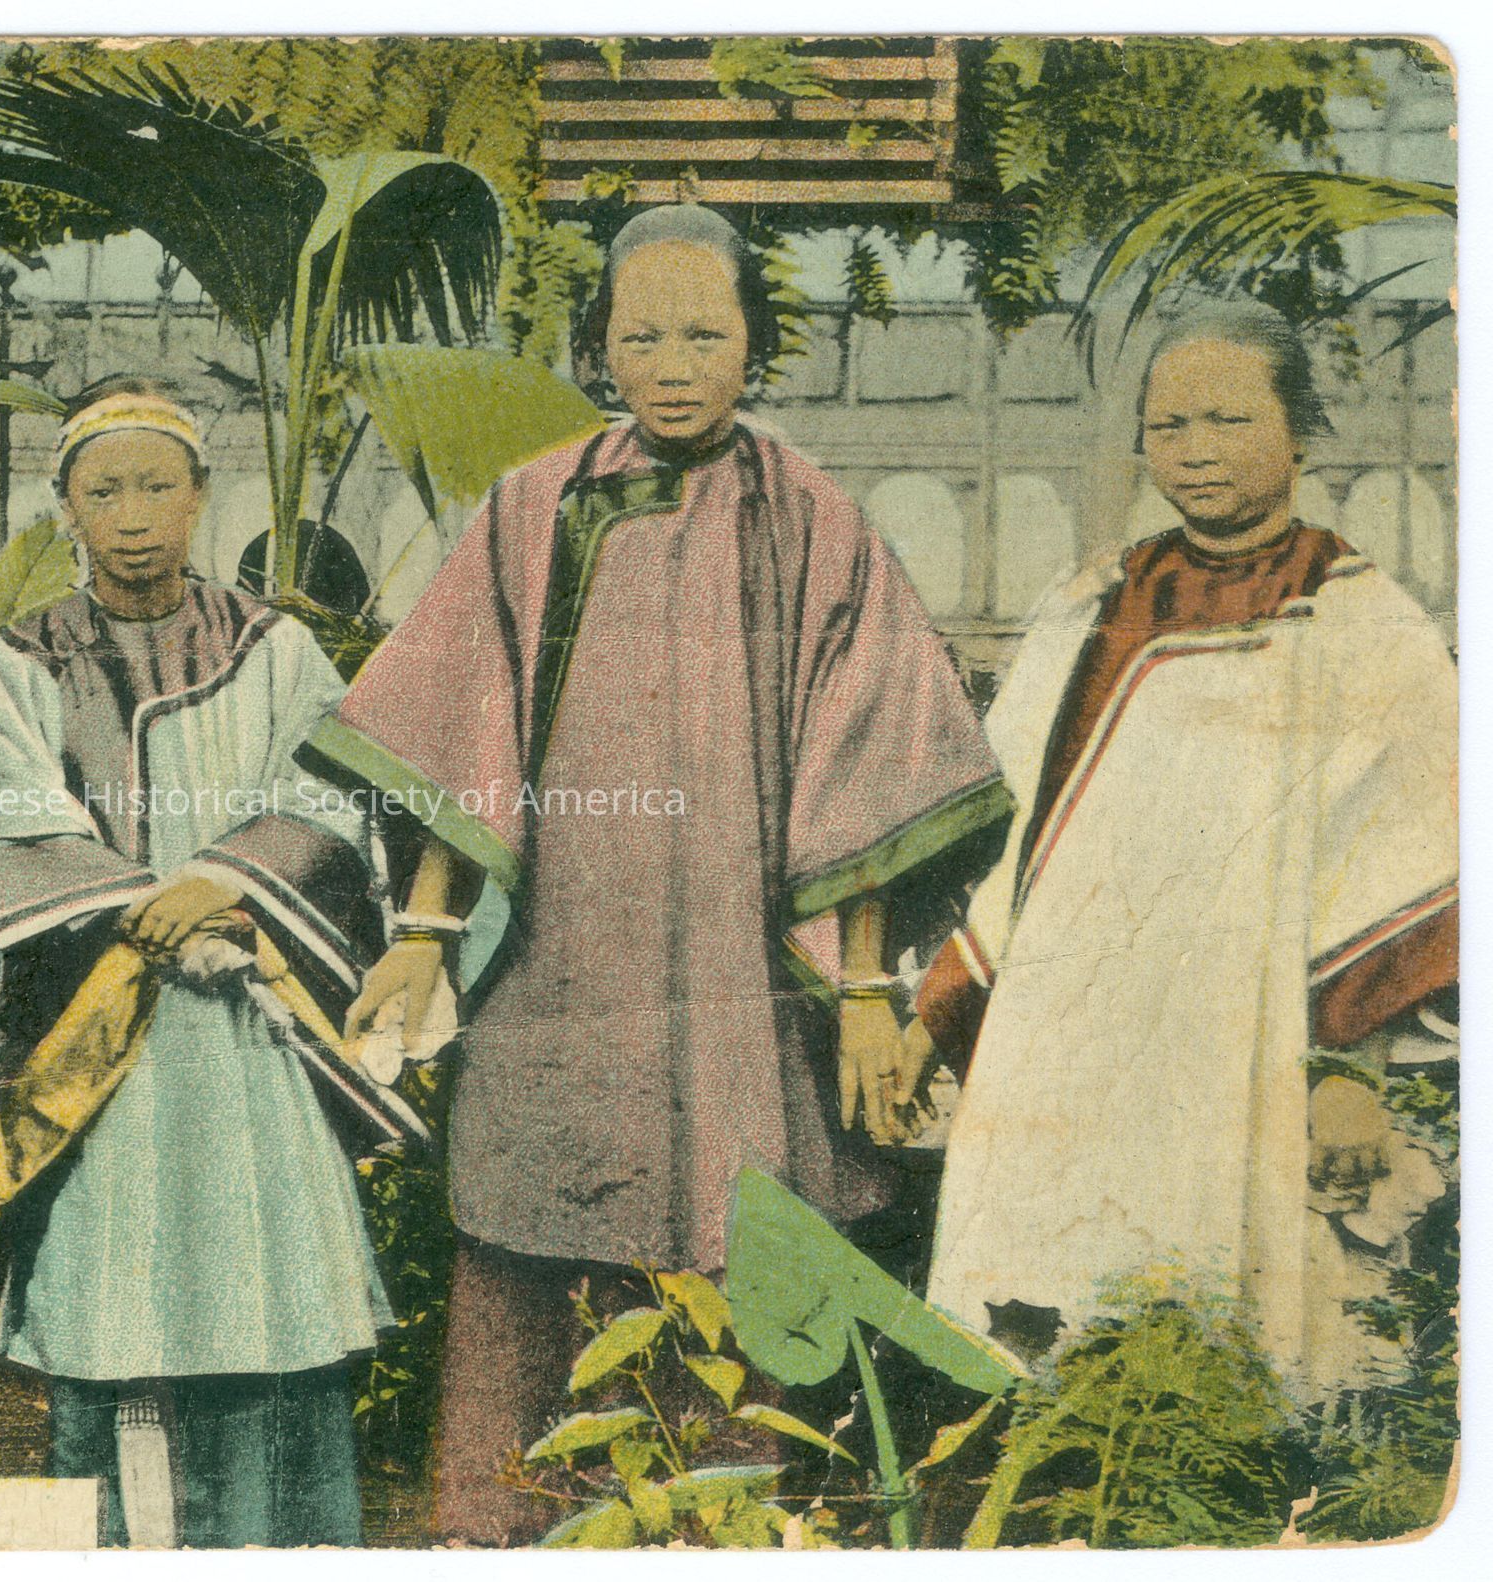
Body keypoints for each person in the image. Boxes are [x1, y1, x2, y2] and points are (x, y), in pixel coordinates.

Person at [304, 205, 1010, 1545]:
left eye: (704, 334)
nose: (674, 365)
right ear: (600, 349)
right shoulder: (534, 507)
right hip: (563, 963)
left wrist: (867, 990)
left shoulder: (815, 518)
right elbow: (465, 722)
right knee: (535, 1242)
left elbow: (865, 757)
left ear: (755, 343)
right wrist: (425, 927)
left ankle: (716, 1543)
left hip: (743, 974)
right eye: (642, 338)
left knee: (737, 1250)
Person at [909, 304, 1458, 1395]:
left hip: (1249, 1039)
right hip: (1068, 1036)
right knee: (1038, 1331)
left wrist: (1347, 1068)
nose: (1196, 449)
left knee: (1224, 1334)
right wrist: (939, 1000)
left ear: (1299, 433)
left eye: (1229, 420)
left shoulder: (1363, 621)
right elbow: (1007, 827)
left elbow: (1411, 853)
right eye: (1169, 426)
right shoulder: (1092, 605)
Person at [0, 376, 390, 1547]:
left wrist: (229, 884)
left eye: (158, 485)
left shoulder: (275, 645)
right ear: (65, 506)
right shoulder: (20, 657)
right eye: (104, 490)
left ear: (201, 494)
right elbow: (12, 816)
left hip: (251, 1022)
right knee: (115, 1294)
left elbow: (335, 788)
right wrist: (153, 913)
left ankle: (275, 1540)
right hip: (102, 1026)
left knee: (266, 1287)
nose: (134, 514)